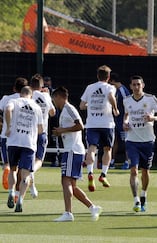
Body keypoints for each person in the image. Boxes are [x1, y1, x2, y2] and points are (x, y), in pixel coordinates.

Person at [52, 86, 102, 222]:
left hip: (72, 150)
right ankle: (93, 208)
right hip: (73, 150)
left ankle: (68, 213)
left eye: (54, 98)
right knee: (72, 186)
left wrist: (62, 130)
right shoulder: (65, 111)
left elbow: (80, 126)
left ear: (59, 97)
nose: (53, 102)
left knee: (65, 180)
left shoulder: (69, 109)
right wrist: (61, 132)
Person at [123, 75, 157, 212]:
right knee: (133, 170)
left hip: (147, 140)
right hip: (131, 141)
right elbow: (126, 114)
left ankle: (143, 195)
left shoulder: (150, 99)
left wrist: (153, 117)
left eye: (138, 84)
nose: (136, 87)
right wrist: (124, 122)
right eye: (134, 85)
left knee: (145, 171)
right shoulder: (126, 100)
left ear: (143, 85)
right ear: (130, 86)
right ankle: (136, 200)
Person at [80, 65, 119, 192]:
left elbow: (81, 106)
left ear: (98, 76)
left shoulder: (90, 87)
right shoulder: (110, 87)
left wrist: (90, 104)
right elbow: (111, 97)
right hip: (106, 123)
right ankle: (103, 175)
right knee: (107, 149)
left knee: (91, 148)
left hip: (92, 124)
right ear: (108, 77)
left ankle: (90, 172)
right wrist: (115, 108)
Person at [5, 86, 43, 212]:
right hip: (29, 143)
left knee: (13, 170)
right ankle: (20, 200)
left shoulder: (14, 102)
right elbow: (41, 129)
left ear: (20, 94)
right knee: (25, 175)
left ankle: (11, 192)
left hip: (13, 141)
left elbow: (7, 110)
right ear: (31, 95)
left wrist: (9, 127)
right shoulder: (36, 107)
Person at [29, 73, 56, 198]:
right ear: (41, 86)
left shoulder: (27, 95)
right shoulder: (45, 96)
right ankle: (31, 172)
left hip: (29, 132)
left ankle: (32, 186)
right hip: (41, 132)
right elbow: (52, 113)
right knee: (39, 160)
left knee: (29, 160)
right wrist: (48, 97)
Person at [0, 77, 28, 191]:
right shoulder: (28, 101)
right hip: (22, 138)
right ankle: (18, 191)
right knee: (21, 166)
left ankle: (6, 168)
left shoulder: (6, 98)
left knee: (9, 164)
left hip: (6, 136)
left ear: (14, 88)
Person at [109, 72, 131, 169]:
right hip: (115, 121)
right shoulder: (114, 91)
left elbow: (128, 105)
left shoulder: (123, 90)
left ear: (113, 81)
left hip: (123, 120)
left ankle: (127, 162)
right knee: (114, 141)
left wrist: (126, 120)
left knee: (126, 141)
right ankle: (112, 161)